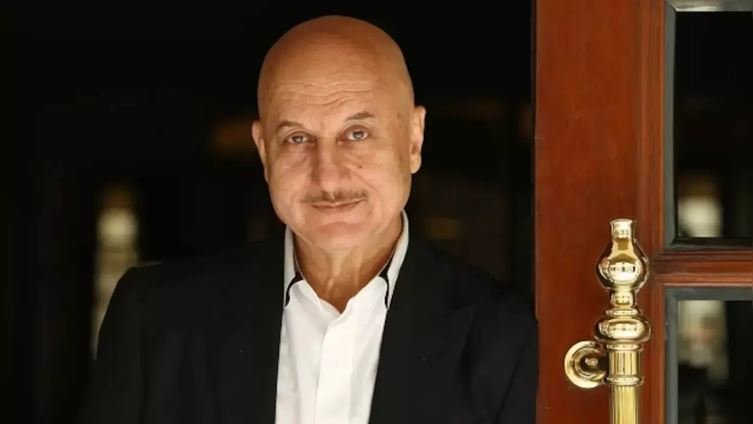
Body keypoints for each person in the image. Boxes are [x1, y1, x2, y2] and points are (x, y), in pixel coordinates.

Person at [78, 15, 538, 424]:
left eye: (356, 133)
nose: (328, 176)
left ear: (413, 140)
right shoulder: (155, 323)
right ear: (264, 151)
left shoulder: (506, 338)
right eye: (297, 138)